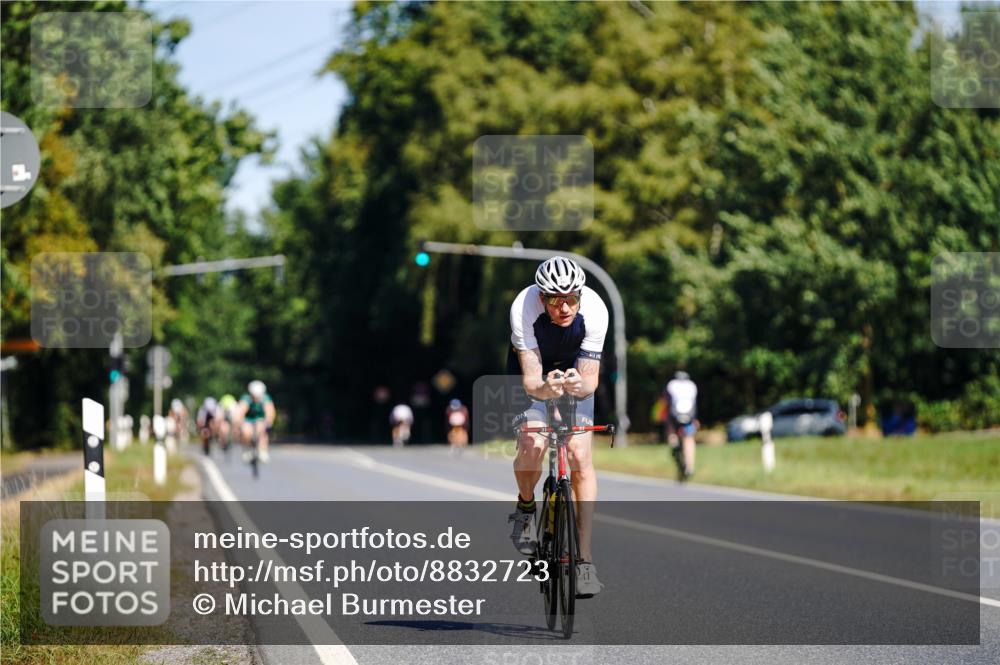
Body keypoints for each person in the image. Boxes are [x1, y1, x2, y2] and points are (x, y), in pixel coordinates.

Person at [506, 256, 608, 597]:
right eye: (554, 299)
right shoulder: (523, 306)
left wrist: (579, 384)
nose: (564, 308)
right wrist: (545, 389)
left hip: (574, 371)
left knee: (580, 455)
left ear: (580, 295)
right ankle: (525, 508)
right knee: (533, 443)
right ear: (541, 297)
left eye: (571, 299)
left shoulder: (596, 309)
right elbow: (532, 381)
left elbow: (590, 382)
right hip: (535, 373)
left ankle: (585, 561)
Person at [665, 370, 698, 481]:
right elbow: (694, 403)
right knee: (689, 438)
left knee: (671, 432)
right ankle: (690, 466)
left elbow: (668, 403)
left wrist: (668, 422)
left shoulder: (671, 385)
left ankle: (673, 444)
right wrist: (695, 419)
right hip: (689, 416)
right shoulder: (692, 385)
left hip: (674, 416)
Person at [240, 380, 275, 463]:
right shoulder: (246, 398)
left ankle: (263, 451)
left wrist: (268, 422)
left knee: (262, 430)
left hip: (260, 419)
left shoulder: (265, 398)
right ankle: (247, 449)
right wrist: (240, 423)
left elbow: (270, 411)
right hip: (248, 419)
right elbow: (240, 411)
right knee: (246, 432)